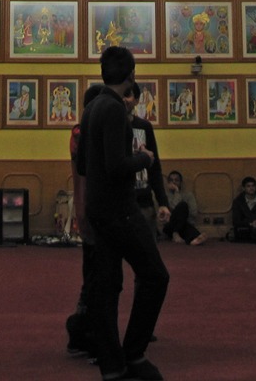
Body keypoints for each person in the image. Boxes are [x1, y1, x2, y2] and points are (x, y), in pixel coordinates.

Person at [76, 45, 168, 381]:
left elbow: (84, 164)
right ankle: (134, 352)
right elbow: (116, 167)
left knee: (107, 287)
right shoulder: (115, 109)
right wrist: (144, 158)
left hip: (98, 210)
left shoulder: (91, 108)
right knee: (156, 276)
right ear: (131, 75)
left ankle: (112, 366)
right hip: (120, 210)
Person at [66, 84, 107, 359]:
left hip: (87, 210)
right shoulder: (85, 134)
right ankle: (92, 336)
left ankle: (81, 332)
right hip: (95, 211)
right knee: (98, 278)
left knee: (91, 276)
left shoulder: (79, 133)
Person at [126, 83, 171, 241]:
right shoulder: (109, 127)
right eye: (121, 95)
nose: (124, 100)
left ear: (136, 100)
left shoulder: (144, 127)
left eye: (128, 95)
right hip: (119, 202)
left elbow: (155, 168)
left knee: (147, 249)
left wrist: (163, 202)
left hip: (143, 201)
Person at [161, 170, 206, 246]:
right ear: (168, 183)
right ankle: (192, 235)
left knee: (184, 221)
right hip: (170, 226)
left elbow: (193, 212)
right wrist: (177, 192)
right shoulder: (165, 196)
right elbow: (172, 209)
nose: (174, 182)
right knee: (183, 205)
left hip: (185, 224)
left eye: (176, 180)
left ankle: (192, 240)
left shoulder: (188, 195)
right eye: (171, 180)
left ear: (181, 182)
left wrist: (182, 220)